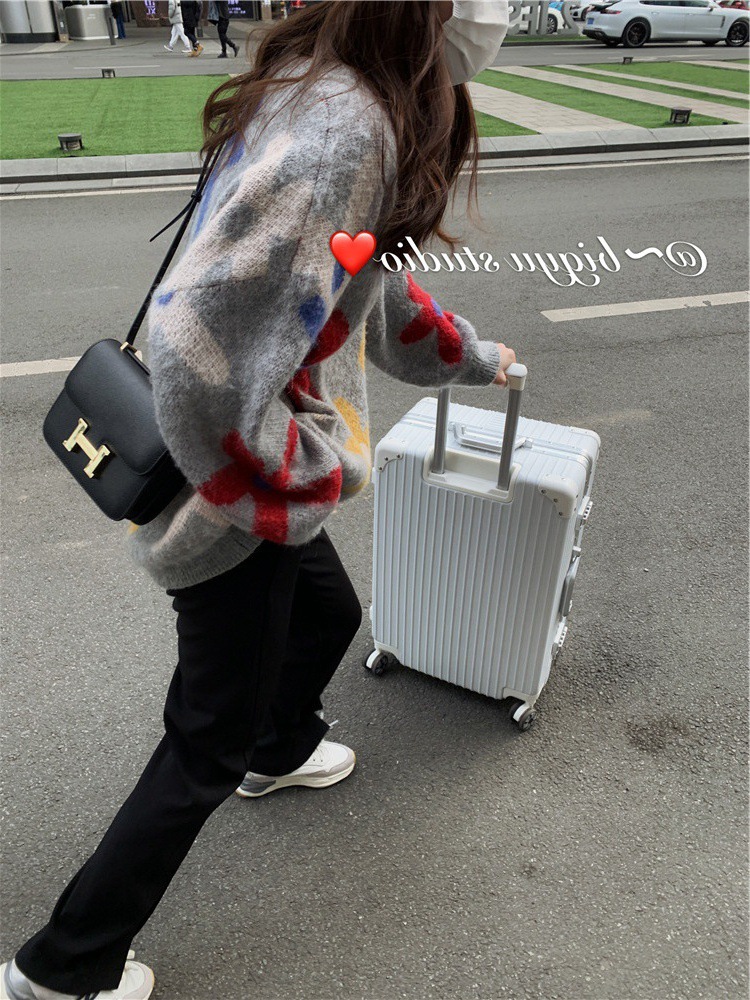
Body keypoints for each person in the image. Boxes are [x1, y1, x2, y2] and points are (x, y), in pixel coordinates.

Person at [0, 2, 512, 998]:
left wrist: (477, 359)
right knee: (205, 739)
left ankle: (279, 748)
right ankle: (63, 967)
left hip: (254, 469)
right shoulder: (349, 130)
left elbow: (375, 294)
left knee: (329, 616)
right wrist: (284, 480)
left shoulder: (339, 89)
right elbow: (195, 344)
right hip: (234, 492)